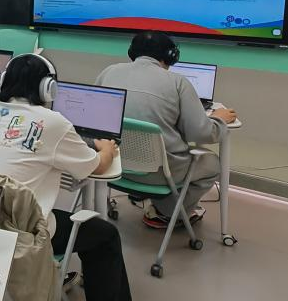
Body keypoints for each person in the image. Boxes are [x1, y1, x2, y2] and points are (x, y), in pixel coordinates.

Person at [0, 53, 149, 301]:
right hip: (24, 234)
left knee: (54, 206)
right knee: (104, 235)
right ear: (47, 88)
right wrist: (106, 148)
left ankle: (57, 276)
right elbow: (95, 167)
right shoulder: (54, 123)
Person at [97, 31, 237, 229]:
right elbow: (201, 134)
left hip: (110, 165)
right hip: (159, 174)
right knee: (213, 164)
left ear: (132, 52)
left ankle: (145, 198)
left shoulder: (108, 72)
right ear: (171, 56)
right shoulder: (178, 82)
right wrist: (218, 120)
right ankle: (167, 212)